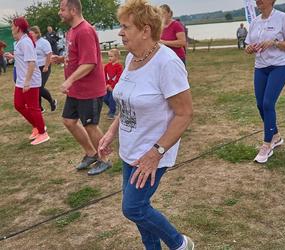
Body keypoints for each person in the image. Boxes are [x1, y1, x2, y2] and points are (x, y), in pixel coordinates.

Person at [98, 0, 194, 249]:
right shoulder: (131, 58)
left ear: (145, 30)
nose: (120, 32)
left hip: (153, 151)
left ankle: (180, 244)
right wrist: (110, 131)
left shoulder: (167, 63)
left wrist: (155, 153)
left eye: (125, 27)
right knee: (140, 210)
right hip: (131, 149)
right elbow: (127, 102)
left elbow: (184, 114)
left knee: (133, 207)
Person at [51, 0, 111, 176]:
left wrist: (69, 81)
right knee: (69, 121)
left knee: (90, 125)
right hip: (77, 90)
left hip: (89, 89)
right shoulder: (72, 31)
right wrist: (62, 60)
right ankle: (91, 153)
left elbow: (90, 63)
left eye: (62, 9)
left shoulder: (84, 31)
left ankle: (105, 160)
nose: (59, 13)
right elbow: (77, 56)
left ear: (74, 10)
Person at [245, 0, 285, 163]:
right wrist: (249, 48)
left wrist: (274, 42)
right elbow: (248, 45)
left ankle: (267, 145)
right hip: (260, 67)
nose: (258, 0)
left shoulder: (283, 17)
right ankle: (276, 136)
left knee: (268, 103)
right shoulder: (254, 22)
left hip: (280, 66)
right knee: (260, 105)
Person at [4, 17, 50, 145]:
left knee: (33, 107)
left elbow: (31, 63)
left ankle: (43, 133)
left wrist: (27, 82)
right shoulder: (21, 41)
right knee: (18, 105)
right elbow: (24, 58)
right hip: (21, 80)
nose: (11, 28)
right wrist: (13, 57)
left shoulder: (26, 42)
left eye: (12, 26)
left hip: (30, 80)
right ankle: (37, 126)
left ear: (18, 27)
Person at [29, 26, 57, 113]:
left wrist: (46, 66)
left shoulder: (44, 42)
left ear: (37, 33)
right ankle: (39, 108)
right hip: (35, 68)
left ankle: (52, 102)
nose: (30, 35)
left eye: (31, 33)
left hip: (44, 67)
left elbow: (49, 54)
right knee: (35, 87)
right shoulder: (30, 42)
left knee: (39, 87)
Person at [104, 48, 123, 119]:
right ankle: (114, 108)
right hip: (107, 86)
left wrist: (112, 86)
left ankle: (112, 113)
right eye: (109, 56)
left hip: (114, 87)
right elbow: (104, 76)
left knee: (111, 99)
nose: (109, 58)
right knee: (105, 98)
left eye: (111, 56)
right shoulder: (106, 66)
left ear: (117, 57)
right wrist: (106, 85)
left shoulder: (119, 67)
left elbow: (118, 78)